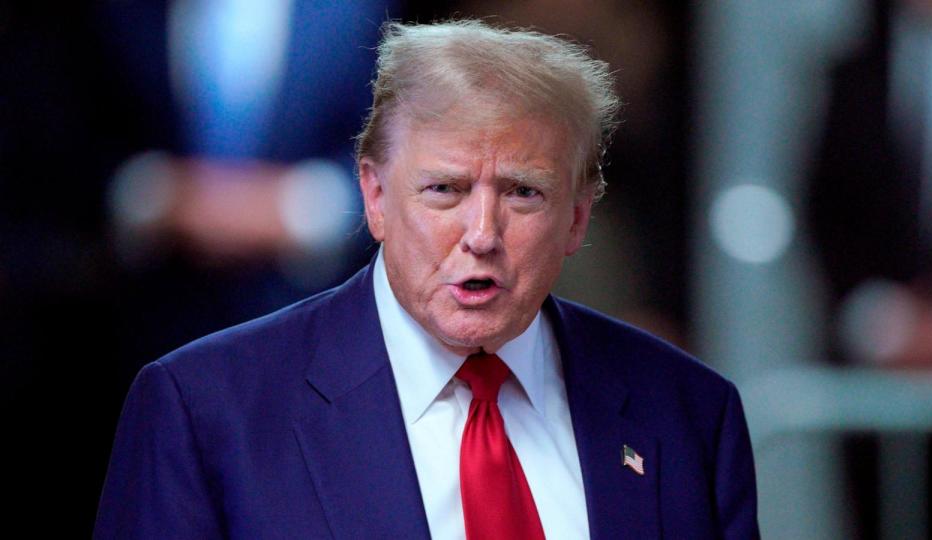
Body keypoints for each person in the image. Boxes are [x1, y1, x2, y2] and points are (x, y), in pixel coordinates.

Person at [95, 19, 759, 539]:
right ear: (376, 197)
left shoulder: (689, 414)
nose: (481, 233)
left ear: (578, 217)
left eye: (523, 193)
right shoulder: (205, 411)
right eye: (445, 189)